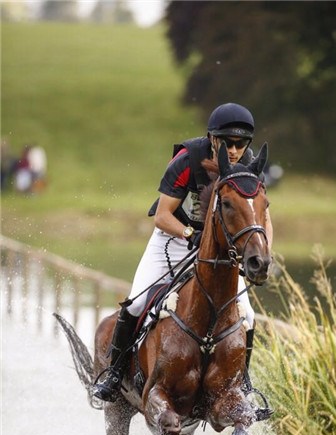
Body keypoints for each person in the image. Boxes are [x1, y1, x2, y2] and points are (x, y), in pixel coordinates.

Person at [93, 103, 273, 402]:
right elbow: (163, 215)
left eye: (241, 144)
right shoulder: (187, 159)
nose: (234, 150)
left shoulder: (247, 168)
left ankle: (244, 384)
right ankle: (114, 375)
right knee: (137, 303)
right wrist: (191, 234)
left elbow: (262, 217)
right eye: (227, 142)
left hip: (219, 248)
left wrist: (263, 249)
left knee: (248, 316)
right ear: (212, 138)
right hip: (174, 238)